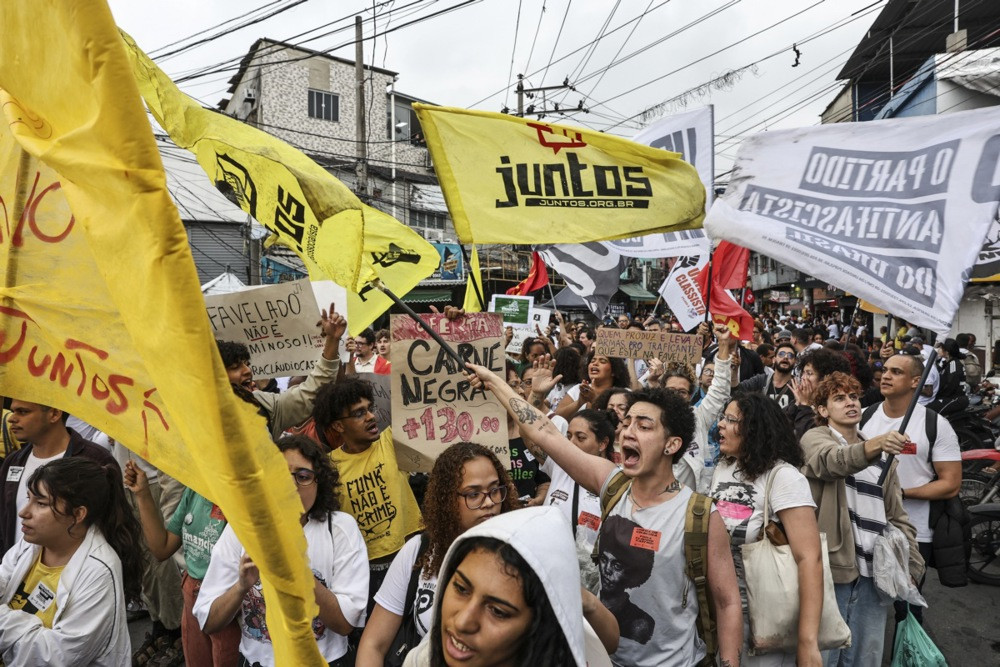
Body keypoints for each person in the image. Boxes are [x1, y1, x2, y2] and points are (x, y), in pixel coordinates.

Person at [465, 363, 743, 666]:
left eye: (644, 426)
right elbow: (544, 431)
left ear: (672, 444)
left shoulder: (699, 515)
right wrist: (494, 381)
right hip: (600, 658)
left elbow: (727, 603)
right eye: (627, 423)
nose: (628, 432)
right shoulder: (613, 483)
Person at [193, 436, 369, 666]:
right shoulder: (241, 530)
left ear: (320, 483)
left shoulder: (340, 529)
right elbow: (208, 622)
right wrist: (242, 587)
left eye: (303, 477)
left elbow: (346, 624)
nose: (291, 485)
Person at [801, 373, 924, 666]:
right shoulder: (815, 439)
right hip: (832, 572)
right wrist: (877, 445)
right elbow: (833, 462)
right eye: (839, 398)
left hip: (875, 575)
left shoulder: (885, 457)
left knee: (864, 660)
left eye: (854, 396)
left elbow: (897, 516)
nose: (850, 403)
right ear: (822, 410)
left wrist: (912, 565)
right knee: (825, 657)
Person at [356, 442, 519, 665]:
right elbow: (373, 644)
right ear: (447, 500)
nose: (489, 502)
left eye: (494, 490)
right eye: (473, 494)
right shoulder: (418, 552)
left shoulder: (521, 556)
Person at [402, 506, 619, 667]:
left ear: (537, 627)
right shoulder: (421, 660)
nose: (462, 622)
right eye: (461, 588)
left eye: (497, 611)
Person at [711, 393, 822, 667]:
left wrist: (808, 641)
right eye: (722, 418)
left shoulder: (784, 478)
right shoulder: (724, 467)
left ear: (754, 429)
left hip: (765, 617)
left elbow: (810, 559)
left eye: (730, 419)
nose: (720, 426)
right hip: (719, 612)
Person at [0, 457, 143, 665]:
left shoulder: (99, 571)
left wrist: (3, 619)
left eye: (40, 503)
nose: (24, 512)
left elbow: (55, 656)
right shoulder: (32, 542)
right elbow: (3, 577)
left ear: (77, 514)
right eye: (28, 498)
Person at [861, 351, 961, 625]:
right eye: (885, 369)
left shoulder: (934, 424)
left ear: (915, 381)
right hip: (865, 526)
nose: (886, 376)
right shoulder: (863, 417)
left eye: (897, 372)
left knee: (907, 611)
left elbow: (950, 484)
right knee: (863, 604)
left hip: (915, 533)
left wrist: (901, 493)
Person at [311, 377, 422, 614]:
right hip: (364, 574)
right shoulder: (328, 468)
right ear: (339, 426)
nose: (371, 416)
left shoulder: (392, 442)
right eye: (359, 413)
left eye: (369, 409)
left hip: (412, 560)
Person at [124, 459, 239, 666]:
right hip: (192, 598)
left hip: (226, 605)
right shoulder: (195, 492)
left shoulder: (242, 502)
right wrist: (142, 495)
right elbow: (162, 548)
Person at [0, 399, 119, 553]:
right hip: (16, 573)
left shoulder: (93, 460)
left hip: (76, 573)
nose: (12, 418)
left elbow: (113, 526)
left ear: (54, 414)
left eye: (23, 411)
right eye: (13, 410)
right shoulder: (13, 461)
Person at [217, 306, 346, 438]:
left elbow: (311, 393)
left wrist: (332, 339)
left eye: (247, 364)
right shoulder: (199, 418)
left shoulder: (264, 405)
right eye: (235, 367)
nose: (247, 371)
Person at [541, 410, 615, 552]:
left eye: (580, 438)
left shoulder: (615, 482)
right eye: (568, 436)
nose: (571, 443)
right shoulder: (559, 464)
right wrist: (537, 394)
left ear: (603, 444)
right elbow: (529, 434)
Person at [554, 352, 631, 420]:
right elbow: (557, 418)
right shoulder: (578, 389)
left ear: (614, 371)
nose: (595, 363)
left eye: (602, 361)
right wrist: (579, 402)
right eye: (592, 361)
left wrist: (594, 401)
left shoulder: (624, 393)